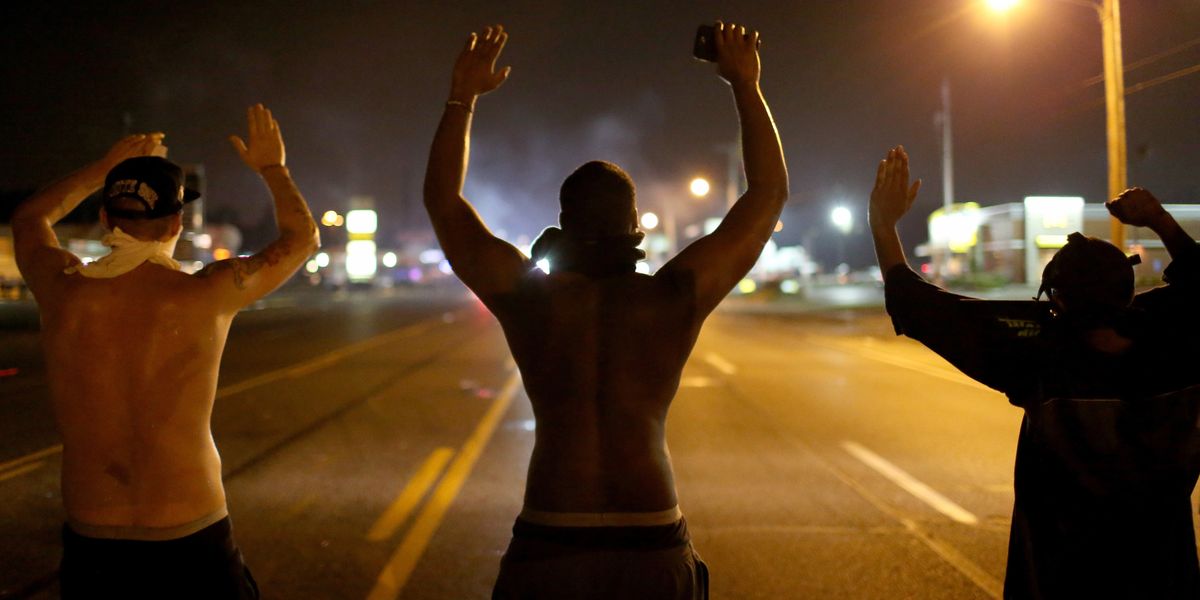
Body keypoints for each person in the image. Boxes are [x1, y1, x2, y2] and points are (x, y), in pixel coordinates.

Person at [423, 22, 787, 600]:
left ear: (563, 226)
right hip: (651, 535)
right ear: (635, 229)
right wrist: (745, 83)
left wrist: (460, 97)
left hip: (550, 534)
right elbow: (766, 195)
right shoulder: (669, 300)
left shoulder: (530, 301)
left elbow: (443, 203)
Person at [12, 104, 319, 598]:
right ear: (177, 222)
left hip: (95, 542)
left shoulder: (61, 290)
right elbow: (302, 238)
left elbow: (30, 218)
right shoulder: (210, 292)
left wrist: (101, 169)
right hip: (191, 534)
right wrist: (273, 169)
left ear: (107, 217)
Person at [868, 147, 1200, 599]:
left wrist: (884, 225)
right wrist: (1159, 219)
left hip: (1056, 580)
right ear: (1130, 287)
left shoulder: (1041, 350)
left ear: (1056, 300)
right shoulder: (1178, 337)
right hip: (1166, 577)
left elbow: (920, 304)